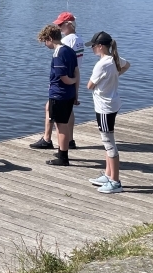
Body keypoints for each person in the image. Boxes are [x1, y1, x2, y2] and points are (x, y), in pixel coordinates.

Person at [29, 12, 84, 150]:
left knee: (55, 115)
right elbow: (77, 68)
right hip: (71, 83)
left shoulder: (65, 43)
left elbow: (63, 69)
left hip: (62, 86)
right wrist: (76, 87)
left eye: (61, 24)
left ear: (69, 24)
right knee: (67, 112)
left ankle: (49, 140)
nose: (59, 27)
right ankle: (69, 140)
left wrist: (65, 80)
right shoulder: (79, 39)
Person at [86, 32, 131, 193]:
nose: (92, 49)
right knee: (107, 142)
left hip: (105, 107)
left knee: (109, 143)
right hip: (113, 103)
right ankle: (108, 174)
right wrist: (115, 76)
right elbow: (127, 65)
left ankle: (115, 181)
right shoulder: (114, 58)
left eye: (93, 46)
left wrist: (109, 78)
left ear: (100, 46)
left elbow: (89, 85)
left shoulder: (102, 64)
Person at [35, 24, 78, 166]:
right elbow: (77, 71)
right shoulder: (70, 51)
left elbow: (63, 77)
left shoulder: (58, 53)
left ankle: (63, 157)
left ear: (50, 38)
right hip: (69, 94)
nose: (45, 45)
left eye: (45, 41)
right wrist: (76, 92)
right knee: (63, 124)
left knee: (61, 126)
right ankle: (62, 152)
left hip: (59, 95)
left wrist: (71, 81)